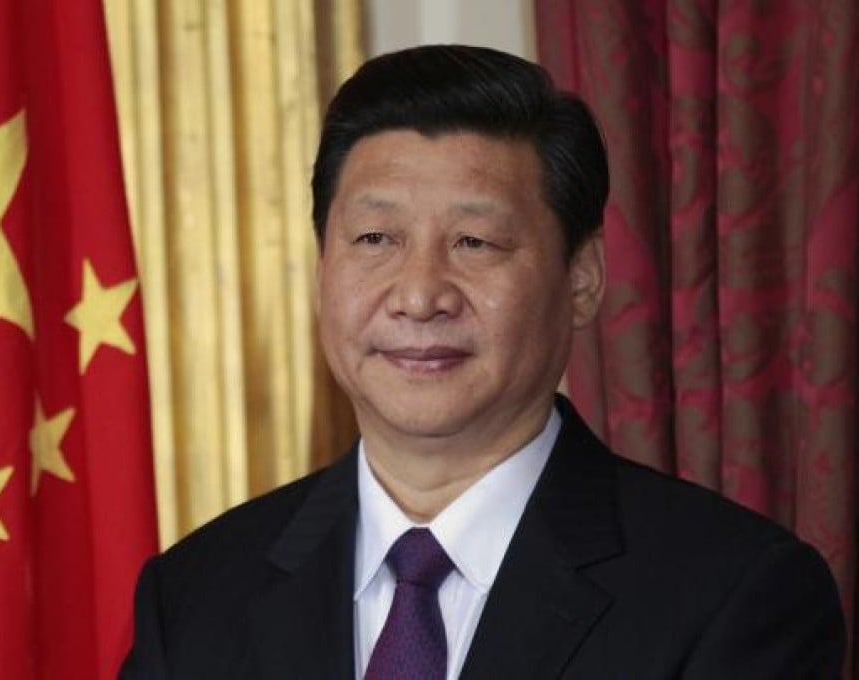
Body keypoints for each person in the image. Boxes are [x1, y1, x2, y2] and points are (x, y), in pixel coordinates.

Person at [120, 45, 844, 679]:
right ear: (320, 268)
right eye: (375, 239)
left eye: (475, 243)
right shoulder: (193, 595)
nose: (419, 295)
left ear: (582, 278)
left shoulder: (732, 592)